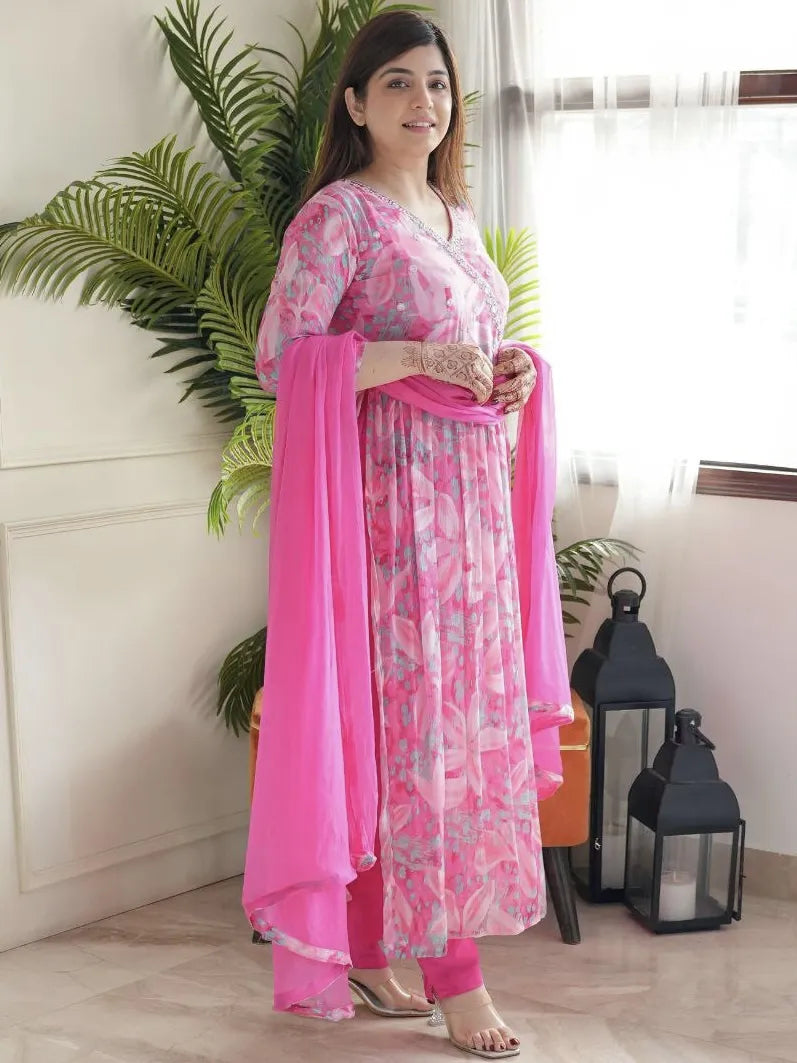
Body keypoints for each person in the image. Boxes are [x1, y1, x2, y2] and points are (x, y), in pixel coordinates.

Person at [242, 10, 572, 1059]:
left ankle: (375, 940)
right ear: (353, 103)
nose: (421, 101)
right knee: (413, 734)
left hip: (467, 513)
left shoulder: (454, 218)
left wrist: (506, 367)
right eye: (396, 83)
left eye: (435, 83)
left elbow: (468, 350)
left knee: (445, 737)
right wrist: (413, 361)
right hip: (386, 516)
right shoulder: (338, 218)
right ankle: (456, 978)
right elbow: (281, 357)